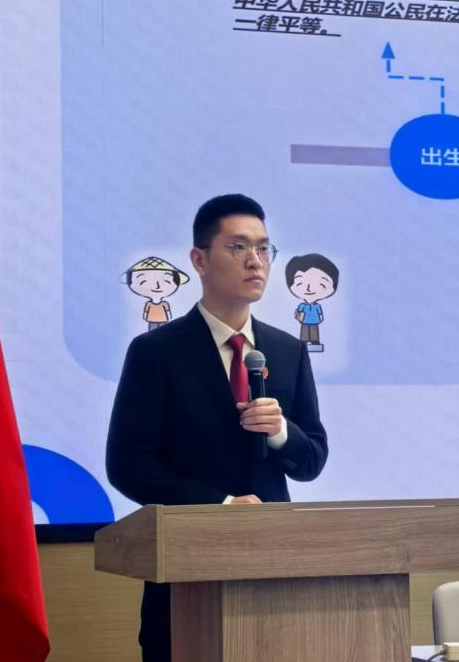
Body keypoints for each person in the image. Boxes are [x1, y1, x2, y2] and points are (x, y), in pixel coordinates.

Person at [106, 194, 328, 662]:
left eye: (264, 248)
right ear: (199, 260)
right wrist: (220, 505)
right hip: (187, 575)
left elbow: (312, 460)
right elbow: (128, 464)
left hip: (274, 570)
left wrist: (281, 432)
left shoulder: (287, 351)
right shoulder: (156, 353)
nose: (255, 261)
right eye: (238, 247)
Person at [285, 253, 339, 351]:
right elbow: (297, 313)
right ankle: (304, 341)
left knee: (314, 332)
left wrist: (320, 318)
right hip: (305, 321)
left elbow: (320, 314)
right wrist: (299, 316)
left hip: (314, 321)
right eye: (300, 283)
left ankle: (314, 341)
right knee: (305, 332)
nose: (309, 288)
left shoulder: (317, 306)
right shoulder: (302, 306)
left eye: (321, 284)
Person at [125, 256, 190, 331]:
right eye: (143, 281)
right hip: (151, 320)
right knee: (152, 333)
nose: (157, 286)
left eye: (166, 281)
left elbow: (168, 312)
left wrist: (169, 317)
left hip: (163, 320)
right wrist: (145, 317)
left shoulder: (164, 304)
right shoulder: (148, 304)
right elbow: (146, 312)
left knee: (163, 332)